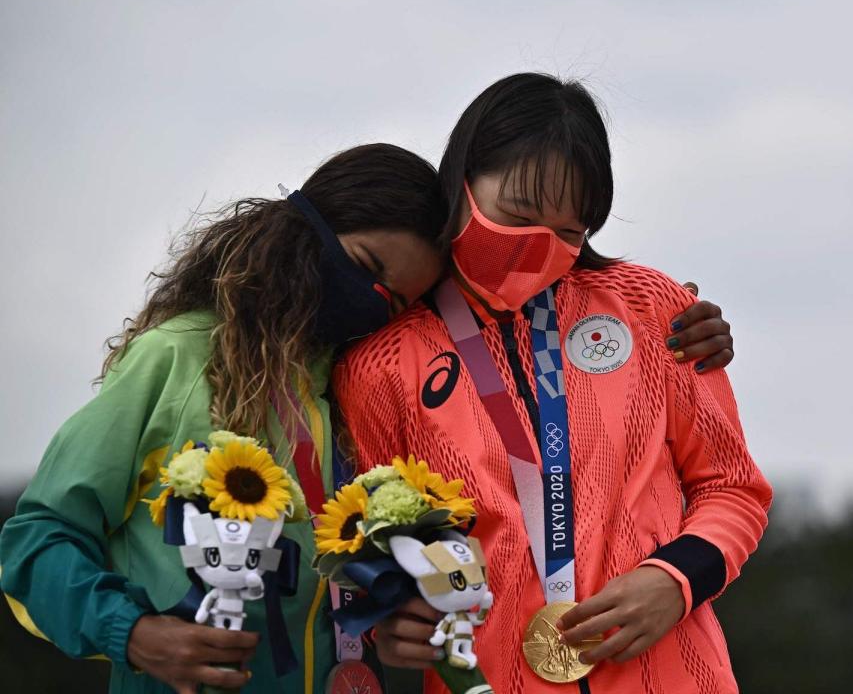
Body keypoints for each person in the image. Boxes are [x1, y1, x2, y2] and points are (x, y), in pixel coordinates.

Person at [0, 139, 732, 694]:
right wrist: (133, 634)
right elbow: (37, 541)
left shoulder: (360, 380)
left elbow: (363, 572)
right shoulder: (173, 359)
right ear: (304, 231)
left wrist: (388, 620)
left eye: (400, 300)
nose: (372, 301)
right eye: (365, 267)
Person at [333, 73, 773, 693]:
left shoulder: (650, 308)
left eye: (571, 232)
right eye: (517, 214)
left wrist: (675, 580)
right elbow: (364, 549)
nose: (542, 246)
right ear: (460, 180)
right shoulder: (378, 367)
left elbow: (734, 488)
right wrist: (392, 622)